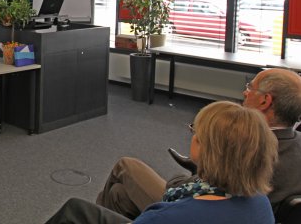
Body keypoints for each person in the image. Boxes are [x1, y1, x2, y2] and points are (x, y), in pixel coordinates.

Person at [94, 68, 301, 219]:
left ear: (265, 101)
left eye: (250, 88)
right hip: (242, 211)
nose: (245, 92)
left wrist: (182, 179)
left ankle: (96, 215)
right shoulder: (293, 144)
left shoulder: (255, 148)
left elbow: (202, 186)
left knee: (126, 165)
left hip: (210, 210)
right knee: (119, 195)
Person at [45, 101, 279, 224]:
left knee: (74, 209)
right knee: (118, 195)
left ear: (210, 151)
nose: (193, 135)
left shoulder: (168, 217)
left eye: (196, 131)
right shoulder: (260, 202)